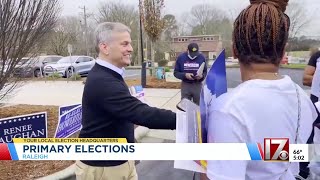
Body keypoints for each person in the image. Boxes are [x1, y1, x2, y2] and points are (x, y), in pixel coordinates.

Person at [206, 0, 318, 180]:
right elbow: (287, 154)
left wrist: (202, 159)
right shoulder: (303, 101)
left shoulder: (227, 109)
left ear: (235, 50)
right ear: (283, 53)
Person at [76, 22, 176, 180]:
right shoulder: (103, 81)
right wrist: (186, 121)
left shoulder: (110, 74)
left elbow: (125, 113)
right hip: (104, 169)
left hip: (120, 161)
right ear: (105, 47)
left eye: (130, 43)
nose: (130, 48)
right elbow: (140, 113)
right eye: (124, 44)